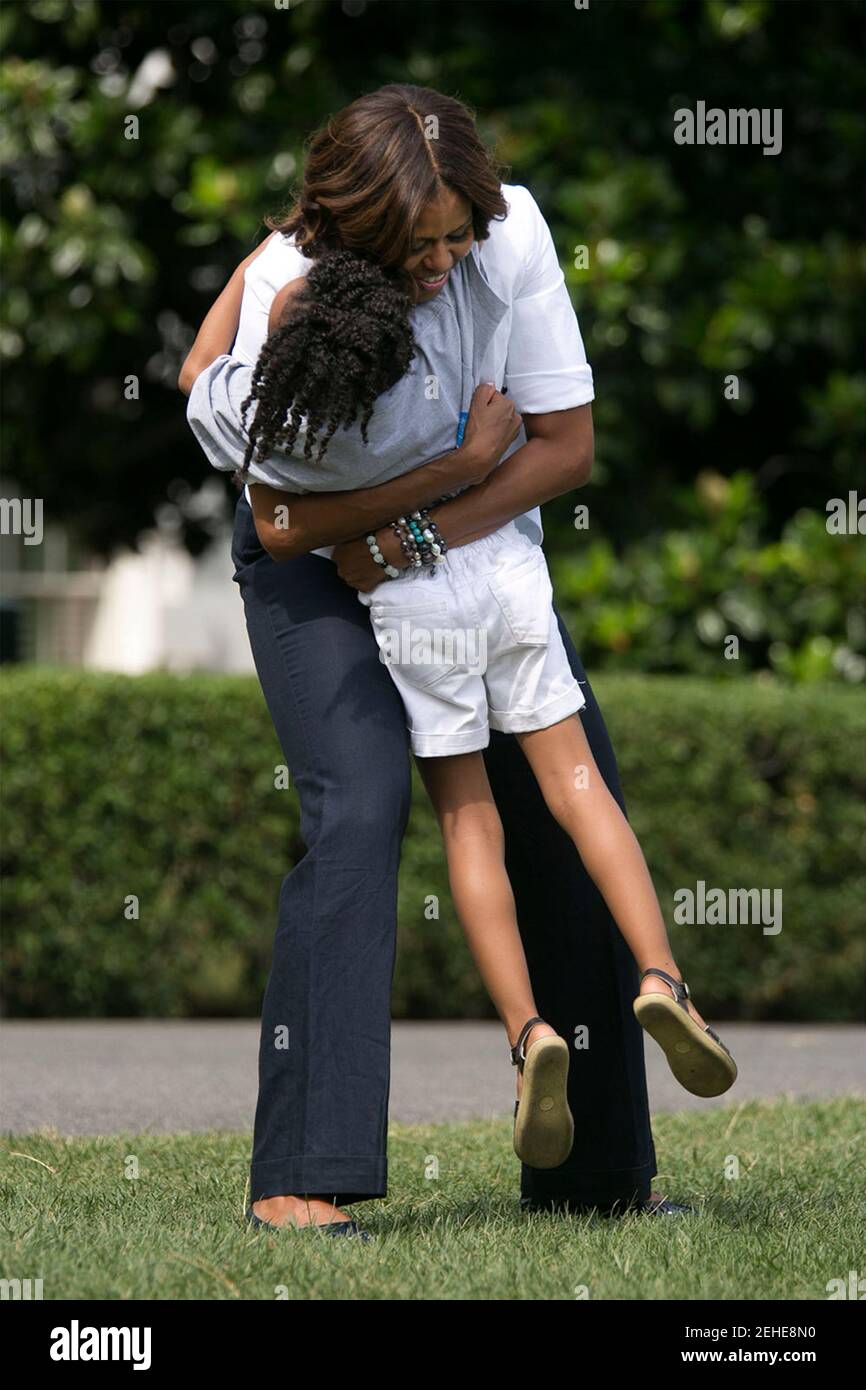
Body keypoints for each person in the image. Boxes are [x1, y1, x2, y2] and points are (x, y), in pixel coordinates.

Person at [180, 82, 693, 1236]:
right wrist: (402, 511)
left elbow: (562, 448)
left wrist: (414, 531)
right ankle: (300, 1175)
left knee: (564, 789)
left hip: (463, 539)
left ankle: (597, 1174)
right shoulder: (287, 296)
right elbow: (276, 517)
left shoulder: (507, 234)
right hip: (311, 564)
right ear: (353, 228)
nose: (447, 260)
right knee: (359, 800)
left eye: (460, 235)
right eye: (420, 244)